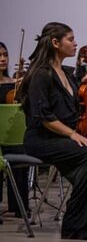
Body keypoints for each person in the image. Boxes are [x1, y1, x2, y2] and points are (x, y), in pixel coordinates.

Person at [20, 22, 87, 239]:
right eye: (70, 39)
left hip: (62, 136)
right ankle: (77, 226)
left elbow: (74, 105)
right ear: (55, 43)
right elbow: (44, 117)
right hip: (42, 138)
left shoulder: (67, 73)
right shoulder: (41, 74)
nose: (75, 43)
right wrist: (72, 134)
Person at [0, 41, 30, 221]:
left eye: (5, 55)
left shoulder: (14, 83)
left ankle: (19, 205)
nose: (3, 59)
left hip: (11, 135)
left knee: (20, 151)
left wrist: (22, 83)